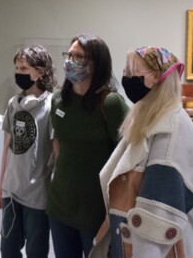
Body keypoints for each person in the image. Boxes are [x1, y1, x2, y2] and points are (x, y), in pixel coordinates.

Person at [90, 46, 193, 258]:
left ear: (156, 77)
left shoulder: (170, 134)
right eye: (126, 71)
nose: (126, 78)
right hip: (130, 244)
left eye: (132, 71)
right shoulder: (148, 119)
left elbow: (155, 227)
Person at [46, 34, 129, 258]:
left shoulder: (111, 103)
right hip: (61, 204)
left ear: (96, 63)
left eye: (79, 56)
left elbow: (127, 157)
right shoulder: (58, 100)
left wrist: (115, 208)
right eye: (69, 55)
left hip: (97, 210)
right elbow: (59, 143)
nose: (71, 61)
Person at [0, 44, 58, 258]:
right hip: (11, 191)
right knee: (8, 250)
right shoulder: (13, 104)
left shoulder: (51, 105)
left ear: (40, 72)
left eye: (24, 69)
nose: (18, 73)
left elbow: (56, 152)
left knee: (36, 251)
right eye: (17, 68)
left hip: (38, 195)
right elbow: (7, 146)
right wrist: (0, 186)